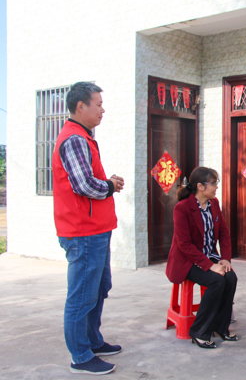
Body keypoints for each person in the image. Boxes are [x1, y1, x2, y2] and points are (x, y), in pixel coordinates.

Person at [52, 82, 125, 375]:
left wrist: (108, 183)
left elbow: (87, 179)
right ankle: (80, 357)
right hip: (82, 231)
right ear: (81, 106)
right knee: (82, 295)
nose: (102, 110)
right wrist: (110, 185)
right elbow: (84, 185)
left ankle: (93, 341)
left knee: (98, 289)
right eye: (98, 104)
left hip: (96, 228)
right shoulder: (74, 139)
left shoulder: (84, 137)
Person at [166, 167, 237, 349]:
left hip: (209, 256)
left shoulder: (214, 203)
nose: (216, 187)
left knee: (230, 277)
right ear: (200, 186)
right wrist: (210, 266)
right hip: (187, 260)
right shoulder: (182, 208)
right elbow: (184, 245)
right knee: (216, 281)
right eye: (214, 183)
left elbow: (224, 233)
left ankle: (221, 327)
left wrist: (225, 259)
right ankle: (199, 332)